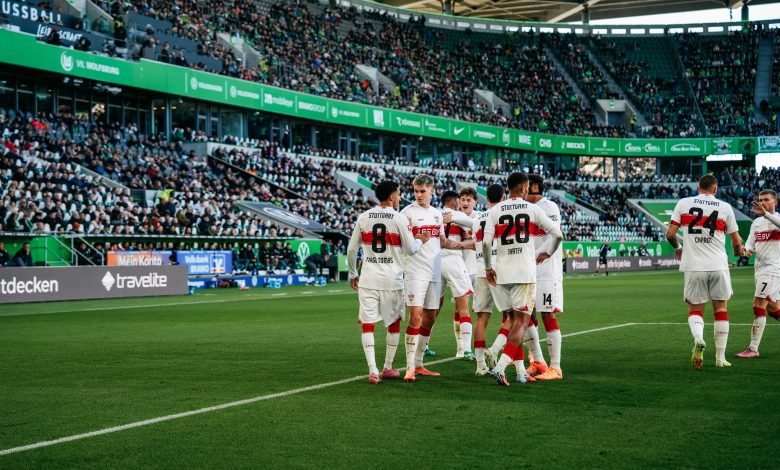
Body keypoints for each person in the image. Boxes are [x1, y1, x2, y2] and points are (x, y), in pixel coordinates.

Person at [483, 172, 562, 386]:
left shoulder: (495, 210)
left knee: (511, 320)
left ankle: (520, 370)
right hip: (524, 272)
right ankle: (500, 367)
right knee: (522, 321)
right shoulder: (532, 209)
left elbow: (486, 242)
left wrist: (488, 267)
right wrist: (547, 253)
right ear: (524, 188)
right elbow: (558, 234)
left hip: (502, 272)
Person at [347, 180, 430, 384]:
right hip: (392, 280)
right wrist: (421, 239)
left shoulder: (364, 217)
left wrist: (353, 273)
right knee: (393, 323)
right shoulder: (399, 218)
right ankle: (388, 367)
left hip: (368, 278)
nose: (400, 197)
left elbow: (351, 249)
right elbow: (411, 249)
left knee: (368, 325)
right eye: (399, 194)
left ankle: (373, 370)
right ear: (392, 197)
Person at [666, 175, 742, 369]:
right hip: (718, 265)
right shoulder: (725, 207)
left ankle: (699, 339)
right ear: (715, 189)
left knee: (695, 310)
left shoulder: (684, 203)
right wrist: (738, 252)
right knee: (721, 310)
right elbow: (736, 241)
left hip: (694, 266)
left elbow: (670, 234)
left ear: (698, 187)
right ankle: (720, 358)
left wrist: (679, 248)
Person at [399, 174, 468, 382]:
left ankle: (419, 363)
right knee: (415, 317)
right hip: (415, 272)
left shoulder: (437, 215)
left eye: (423, 191)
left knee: (429, 317)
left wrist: (467, 245)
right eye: (416, 191)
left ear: (432, 191)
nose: (419, 195)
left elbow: (443, 241)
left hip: (434, 271)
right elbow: (405, 244)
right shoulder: (407, 213)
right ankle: (409, 367)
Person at [523, 174, 565, 381]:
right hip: (530, 270)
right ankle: (538, 361)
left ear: (534, 187)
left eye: (526, 186)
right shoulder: (526, 208)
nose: (523, 190)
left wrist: (546, 252)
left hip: (547, 271)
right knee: (527, 314)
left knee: (547, 314)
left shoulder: (549, 207)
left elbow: (557, 233)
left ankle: (555, 367)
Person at [736, 190, 780, 358]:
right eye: (760, 200)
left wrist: (766, 214)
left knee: (758, 304)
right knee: (773, 309)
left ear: (775, 201)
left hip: (773, 269)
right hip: (759, 269)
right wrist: (747, 249)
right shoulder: (756, 222)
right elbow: (750, 241)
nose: (762, 203)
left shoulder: (777, 219)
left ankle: (753, 348)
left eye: (766, 200)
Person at [438, 190, 477, 360]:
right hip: (455, 260)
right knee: (464, 306)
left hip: (435, 261)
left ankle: (422, 348)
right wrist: (455, 218)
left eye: (468, 200)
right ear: (455, 202)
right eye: (462, 200)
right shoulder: (460, 215)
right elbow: (477, 224)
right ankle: (465, 349)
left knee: (432, 308)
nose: (463, 203)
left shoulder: (433, 214)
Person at [472, 184, 504, 376]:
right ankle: (497, 351)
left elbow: (477, 244)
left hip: (480, 269)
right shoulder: (501, 214)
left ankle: (480, 365)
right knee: (511, 317)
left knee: (481, 318)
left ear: (487, 199)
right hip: (498, 269)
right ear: (503, 197)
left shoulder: (478, 219)